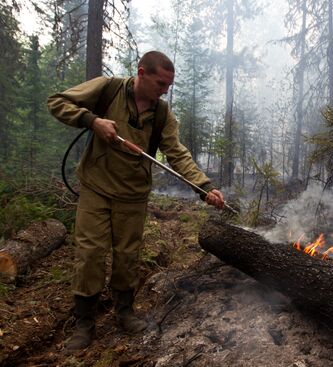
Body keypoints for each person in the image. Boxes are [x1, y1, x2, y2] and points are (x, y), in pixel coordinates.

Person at [47, 51, 225, 351]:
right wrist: (92, 121)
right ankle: (84, 323)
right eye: (160, 83)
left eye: (169, 85)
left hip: (133, 195)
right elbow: (57, 102)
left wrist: (204, 186)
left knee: (127, 256)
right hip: (97, 187)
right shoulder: (108, 88)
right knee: (90, 253)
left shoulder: (162, 114)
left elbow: (176, 153)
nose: (165, 90)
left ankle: (125, 312)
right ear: (141, 73)